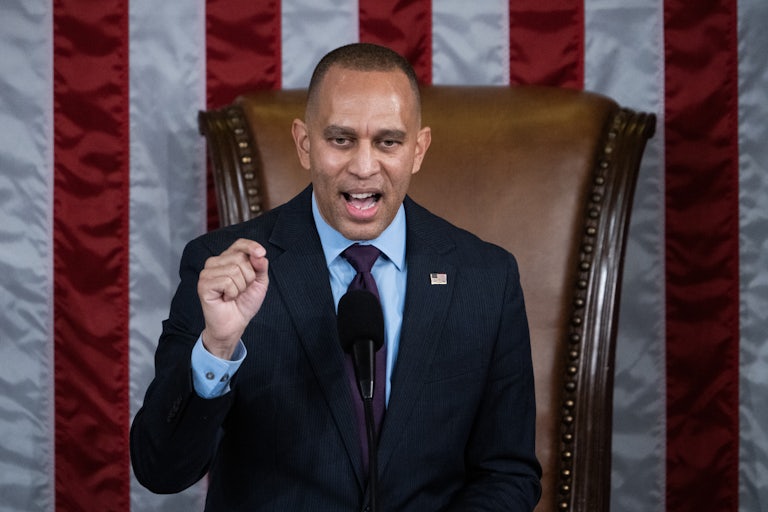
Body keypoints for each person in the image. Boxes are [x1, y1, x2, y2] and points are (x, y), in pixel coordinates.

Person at [130, 42, 542, 511]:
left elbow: (508, 474)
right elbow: (160, 471)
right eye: (341, 140)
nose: (364, 167)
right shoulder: (222, 266)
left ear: (418, 149)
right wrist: (217, 349)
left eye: (388, 142)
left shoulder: (486, 278)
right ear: (305, 144)